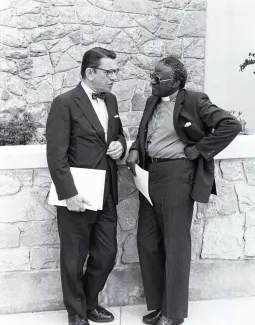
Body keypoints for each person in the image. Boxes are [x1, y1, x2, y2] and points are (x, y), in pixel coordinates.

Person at [126, 56, 242, 325]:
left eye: (158, 78)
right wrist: (134, 149)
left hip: (177, 176)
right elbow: (146, 134)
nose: (152, 81)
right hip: (148, 175)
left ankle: (174, 313)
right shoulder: (151, 101)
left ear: (176, 82)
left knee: (176, 244)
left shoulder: (195, 100)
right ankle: (157, 306)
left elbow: (230, 125)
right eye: (152, 76)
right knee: (146, 241)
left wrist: (199, 149)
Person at [46, 47, 126, 325]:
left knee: (107, 254)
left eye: (116, 72)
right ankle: (76, 313)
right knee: (73, 257)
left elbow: (119, 135)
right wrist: (68, 194)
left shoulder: (112, 100)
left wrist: (120, 145)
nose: (114, 77)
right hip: (77, 193)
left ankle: (90, 302)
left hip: (107, 193)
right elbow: (56, 155)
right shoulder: (65, 102)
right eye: (110, 72)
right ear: (90, 72)